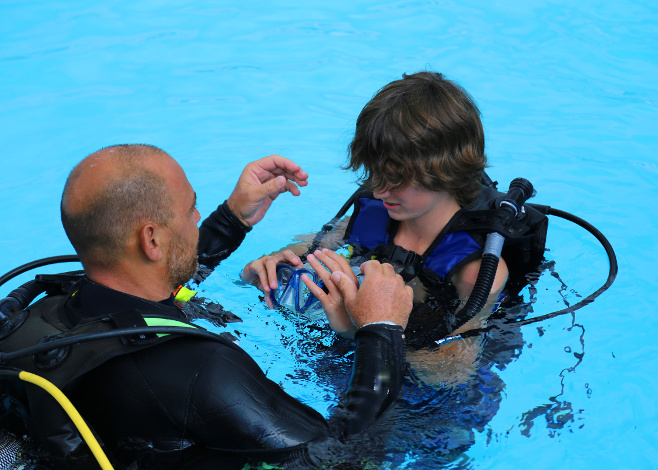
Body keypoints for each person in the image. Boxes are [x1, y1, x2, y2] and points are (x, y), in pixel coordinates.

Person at [0, 144, 413, 469]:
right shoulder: (204, 370)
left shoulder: (37, 314)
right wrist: (381, 330)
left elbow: (151, 291)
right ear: (152, 240)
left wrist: (233, 218)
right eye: (190, 209)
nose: (198, 216)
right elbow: (342, 457)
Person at [241, 72, 534, 383]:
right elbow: (300, 253)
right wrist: (262, 269)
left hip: (427, 404)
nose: (379, 192)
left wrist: (359, 331)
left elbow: (455, 372)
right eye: (375, 174)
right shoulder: (371, 215)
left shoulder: (477, 269)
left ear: (447, 172)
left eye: (396, 180)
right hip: (355, 366)